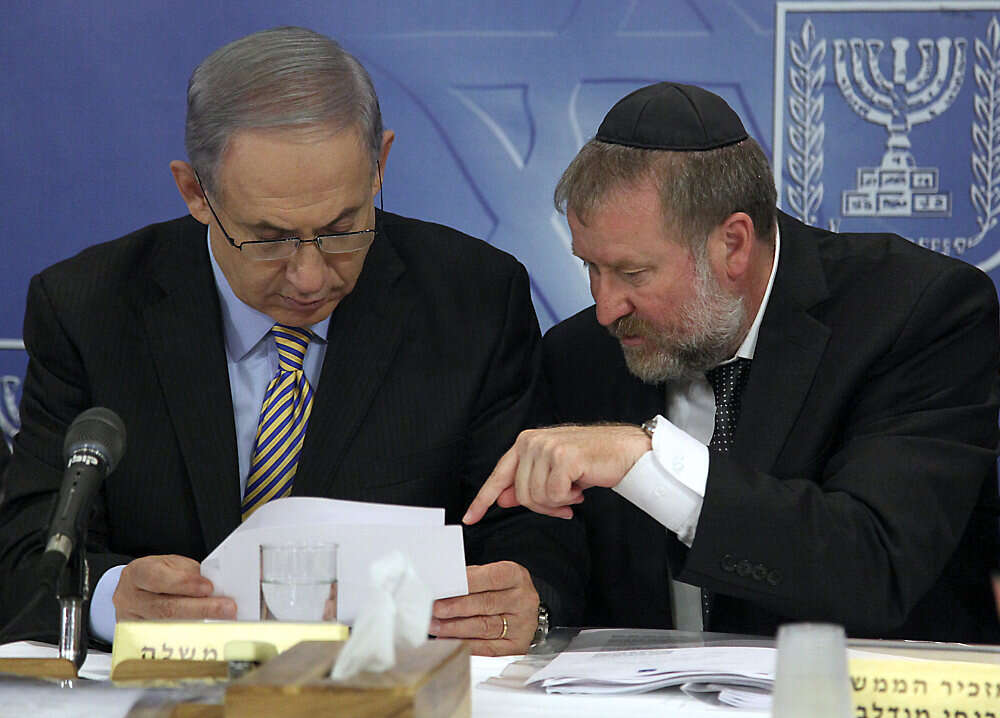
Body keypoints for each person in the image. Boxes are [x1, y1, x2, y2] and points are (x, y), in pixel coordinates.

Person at [0, 26, 585, 655]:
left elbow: (536, 535)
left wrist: (524, 598)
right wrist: (111, 597)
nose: (309, 276)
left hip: (394, 690)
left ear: (381, 165)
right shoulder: (90, 309)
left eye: (342, 229)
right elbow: (30, 554)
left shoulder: (473, 299)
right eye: (270, 239)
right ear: (196, 192)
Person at [465, 82, 1000, 643]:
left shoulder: (913, 313)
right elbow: (561, 549)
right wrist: (534, 598)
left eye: (632, 273)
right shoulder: (580, 355)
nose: (605, 308)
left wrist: (648, 461)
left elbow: (877, 564)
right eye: (590, 268)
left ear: (734, 244)